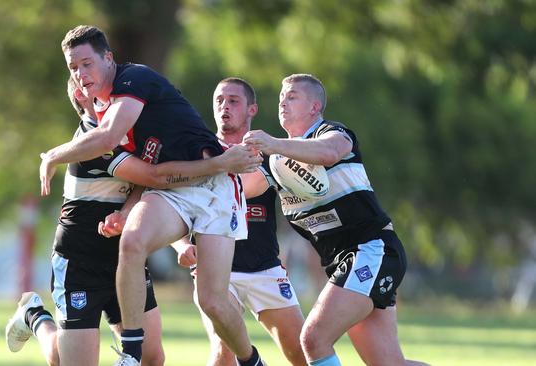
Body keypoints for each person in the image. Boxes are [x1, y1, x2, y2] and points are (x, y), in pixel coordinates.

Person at [39, 25, 266, 366]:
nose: (81, 76)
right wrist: (127, 212)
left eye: (87, 64)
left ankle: (251, 361)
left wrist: (52, 155)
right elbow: (150, 176)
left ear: (109, 59)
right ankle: (130, 353)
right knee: (131, 242)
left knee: (213, 302)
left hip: (215, 188)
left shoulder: (133, 80)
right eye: (73, 69)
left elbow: (113, 142)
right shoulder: (99, 130)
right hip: (169, 191)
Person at [243, 74, 428, 366]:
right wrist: (210, 171)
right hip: (345, 261)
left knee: (313, 338)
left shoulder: (332, 133)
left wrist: (273, 143)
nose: (283, 102)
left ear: (315, 106)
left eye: (292, 97)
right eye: (281, 98)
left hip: (373, 250)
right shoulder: (275, 161)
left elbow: (329, 153)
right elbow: (245, 187)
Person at [171, 77, 306, 365]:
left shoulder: (267, 152)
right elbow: (168, 202)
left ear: (252, 109)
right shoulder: (197, 151)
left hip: (264, 268)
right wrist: (181, 244)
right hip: (216, 273)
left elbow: (249, 185)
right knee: (223, 352)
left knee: (302, 352)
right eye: (219, 100)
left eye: (233, 101)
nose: (224, 107)